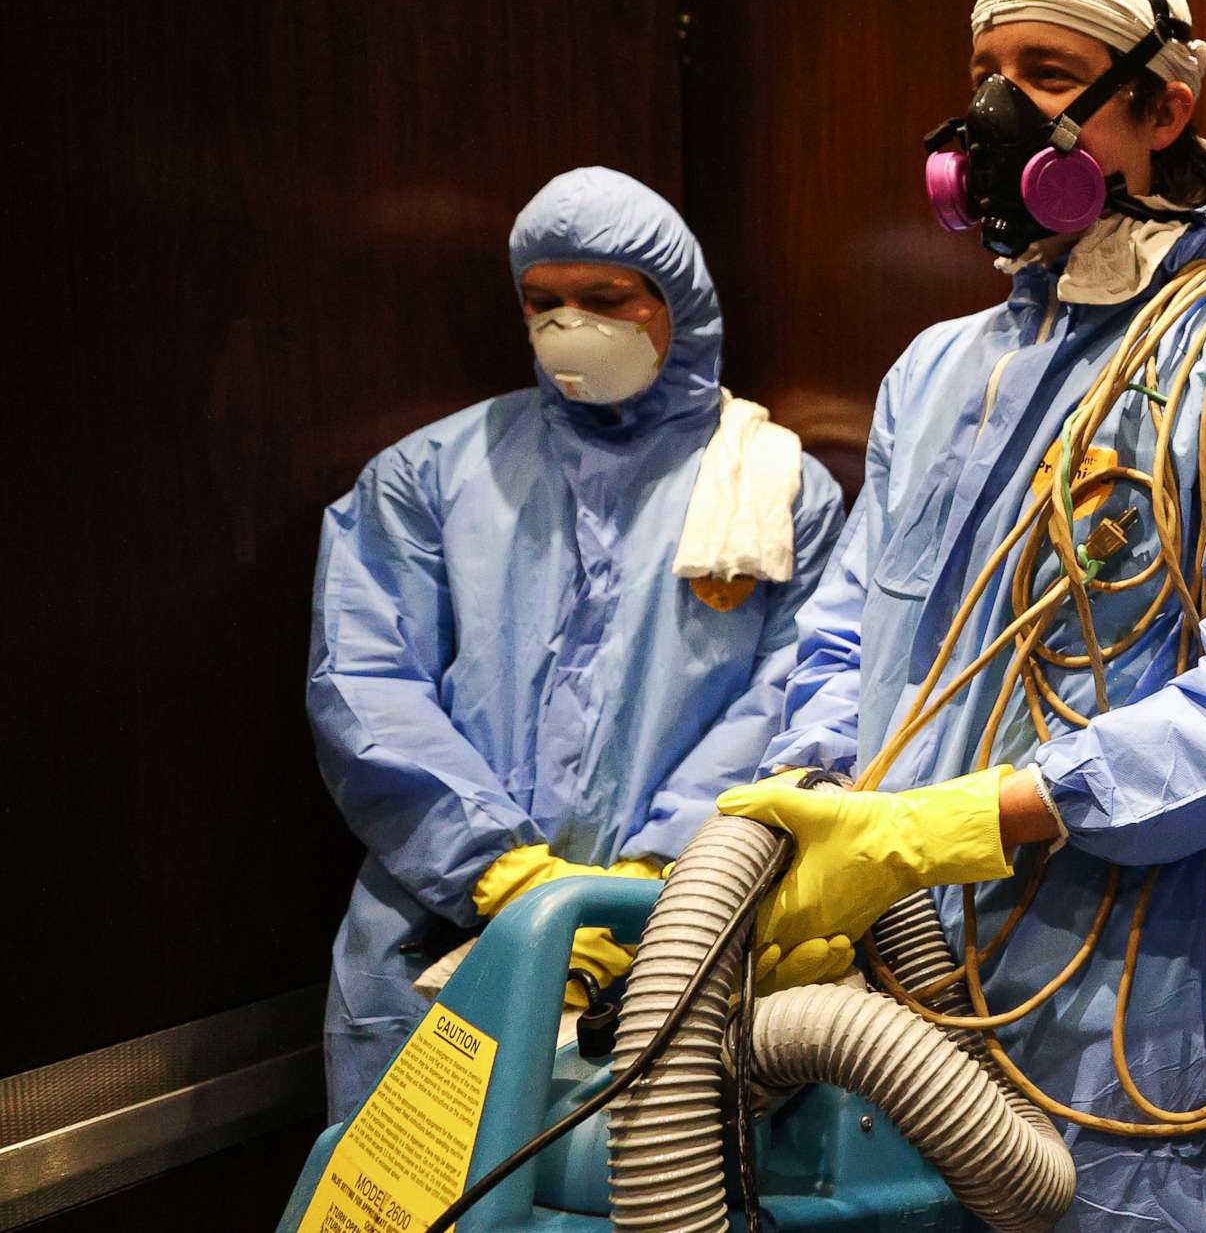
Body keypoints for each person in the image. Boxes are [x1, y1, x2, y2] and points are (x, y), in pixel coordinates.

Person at [725, 0, 1206, 1232]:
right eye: (986, 68)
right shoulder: (936, 373)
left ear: (1161, 106)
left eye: (1046, 70)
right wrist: (816, 811)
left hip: (1116, 1036)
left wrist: (964, 821)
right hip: (885, 1007)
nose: (996, 106)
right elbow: (848, 638)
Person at [307, 166, 844, 1120]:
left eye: (604, 299)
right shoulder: (426, 478)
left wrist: (661, 876)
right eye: (541, 301)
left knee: (649, 1193)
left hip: (679, 936)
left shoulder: (776, 490)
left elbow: (794, 695)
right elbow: (365, 685)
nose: (569, 324)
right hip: (437, 929)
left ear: (678, 305)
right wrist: (500, 871)